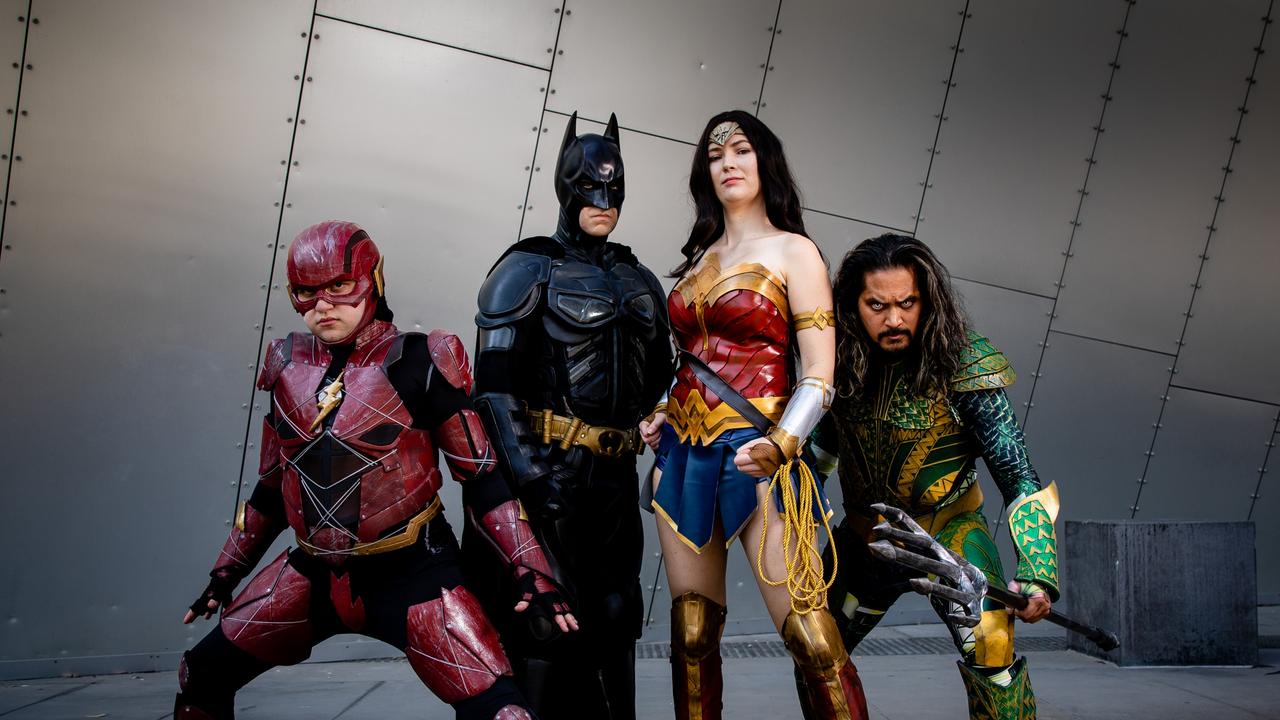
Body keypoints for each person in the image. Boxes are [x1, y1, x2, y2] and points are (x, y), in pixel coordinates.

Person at [175, 221, 573, 720]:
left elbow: (483, 479)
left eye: (339, 287)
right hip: (313, 570)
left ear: (373, 281)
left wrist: (530, 571)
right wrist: (225, 573)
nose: (323, 305)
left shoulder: (421, 359)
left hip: (414, 569)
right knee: (201, 673)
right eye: (306, 292)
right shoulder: (285, 364)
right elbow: (271, 490)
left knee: (502, 714)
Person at [640, 110, 868, 720]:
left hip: (760, 454)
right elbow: (690, 359)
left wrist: (784, 445)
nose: (728, 164)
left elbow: (822, 373)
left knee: (812, 636)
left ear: (765, 162)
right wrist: (661, 410)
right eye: (716, 156)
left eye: (740, 150)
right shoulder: (696, 262)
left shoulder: (796, 253)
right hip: (681, 456)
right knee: (691, 634)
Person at [466, 112, 673, 719]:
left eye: (614, 189)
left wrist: (663, 425)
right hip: (550, 473)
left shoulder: (638, 279)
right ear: (564, 187)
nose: (604, 202)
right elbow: (493, 390)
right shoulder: (526, 270)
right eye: (589, 187)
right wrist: (530, 476)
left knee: (616, 616)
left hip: (613, 479)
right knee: (544, 621)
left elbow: (663, 376)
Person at [809, 233, 1060, 719]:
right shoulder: (839, 362)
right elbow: (819, 456)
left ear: (928, 299)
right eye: (877, 305)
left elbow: (1018, 474)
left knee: (991, 649)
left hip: (950, 537)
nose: (895, 318)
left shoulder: (965, 362)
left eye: (907, 303)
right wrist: (790, 524)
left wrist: (1037, 575)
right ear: (852, 304)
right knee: (817, 651)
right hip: (865, 540)